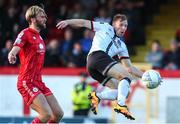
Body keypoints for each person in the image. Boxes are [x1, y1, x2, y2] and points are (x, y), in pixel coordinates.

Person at [56, 14, 143, 120]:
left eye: (126, 26)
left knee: (124, 92)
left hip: (93, 67)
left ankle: (97, 96)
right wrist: (69, 22)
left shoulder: (122, 46)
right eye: (121, 25)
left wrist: (144, 76)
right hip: (97, 56)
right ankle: (120, 105)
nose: (124, 28)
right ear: (114, 24)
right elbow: (84, 22)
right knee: (126, 77)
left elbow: (129, 67)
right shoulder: (105, 26)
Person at [8, 5, 64, 123]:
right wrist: (12, 54)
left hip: (38, 82)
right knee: (46, 114)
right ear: (33, 19)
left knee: (58, 114)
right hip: (26, 82)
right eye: (42, 16)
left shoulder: (40, 38)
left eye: (45, 16)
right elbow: (16, 46)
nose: (45, 18)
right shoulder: (25, 33)